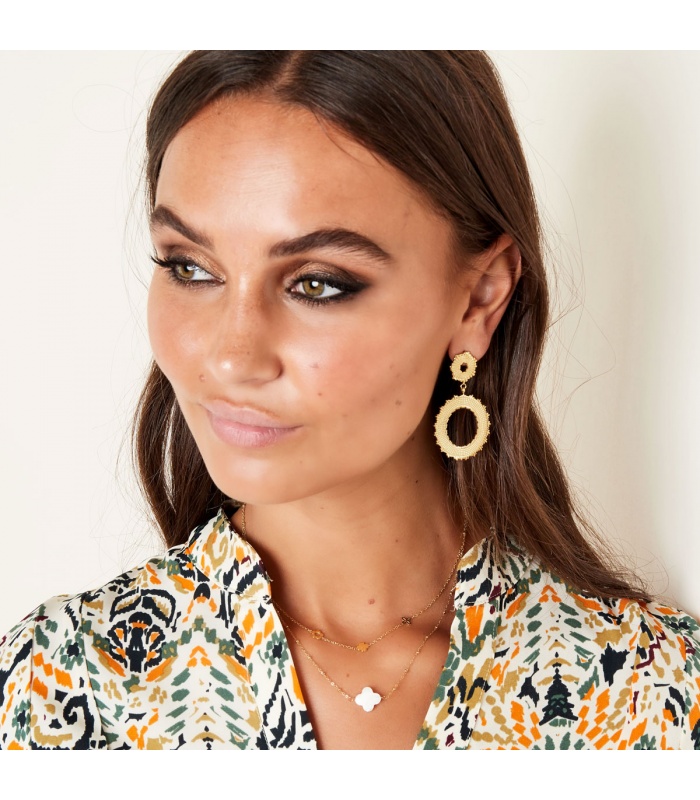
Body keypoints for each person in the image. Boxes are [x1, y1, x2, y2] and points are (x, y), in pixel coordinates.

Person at [0, 50, 698, 750]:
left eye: (318, 284)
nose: (232, 357)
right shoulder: (51, 687)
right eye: (190, 268)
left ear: (479, 299)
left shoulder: (654, 700)